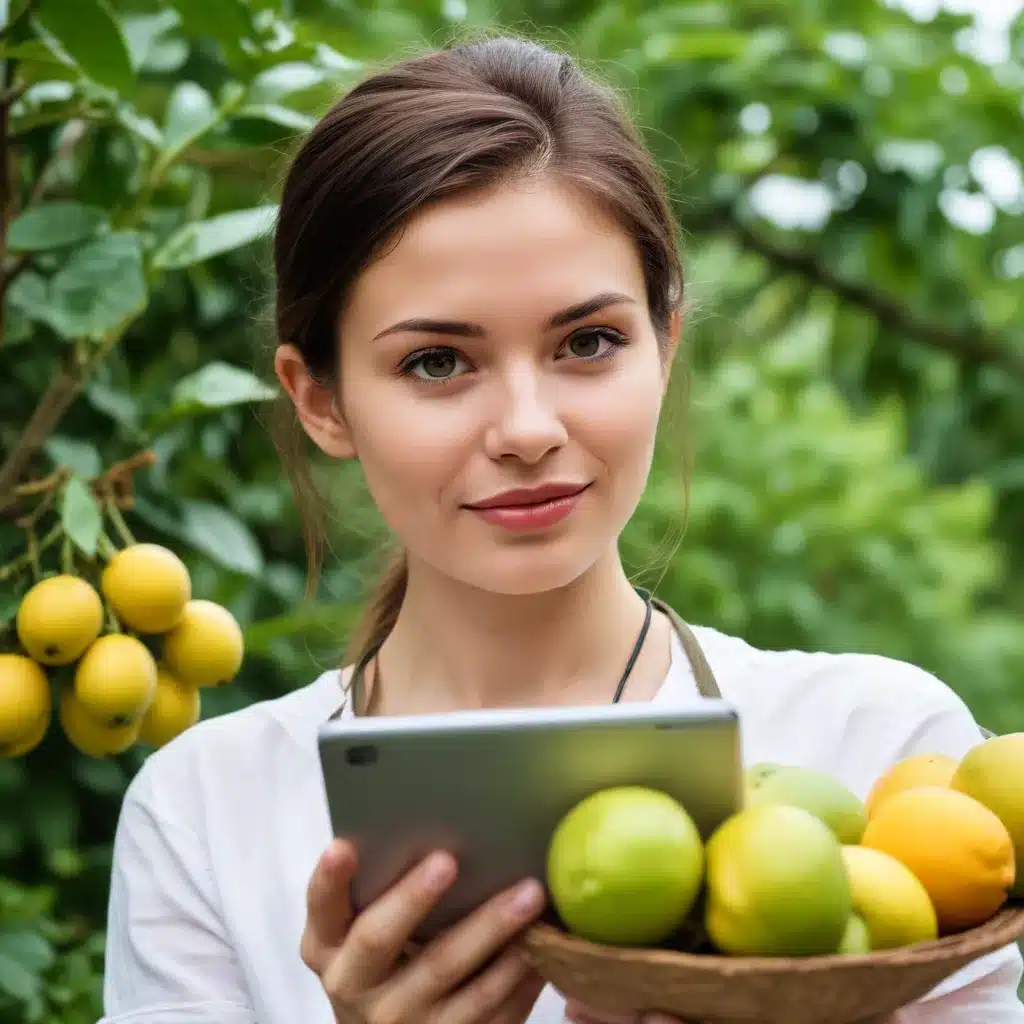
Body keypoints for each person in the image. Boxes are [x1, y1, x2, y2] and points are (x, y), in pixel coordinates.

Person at [98, 34, 1022, 1024]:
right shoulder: (207, 810)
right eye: (437, 362)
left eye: (588, 342)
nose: (529, 429)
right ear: (319, 399)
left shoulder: (879, 754)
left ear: (663, 348)